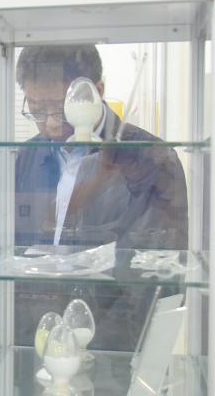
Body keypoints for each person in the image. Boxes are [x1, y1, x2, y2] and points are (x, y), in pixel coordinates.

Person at [12, 45, 188, 352]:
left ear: (98, 91)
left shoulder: (150, 158)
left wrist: (119, 356)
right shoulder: (27, 155)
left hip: (116, 345)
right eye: (37, 110)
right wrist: (24, 340)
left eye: (60, 109)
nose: (50, 124)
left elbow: (159, 273)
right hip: (40, 340)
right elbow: (14, 255)